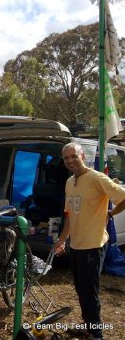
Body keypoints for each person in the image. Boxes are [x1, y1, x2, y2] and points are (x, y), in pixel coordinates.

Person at [54, 142, 125, 340]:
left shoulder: (96, 178)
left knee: (90, 293)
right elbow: (69, 214)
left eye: (73, 156)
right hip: (76, 245)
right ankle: (88, 327)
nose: (70, 161)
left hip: (93, 245)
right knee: (80, 289)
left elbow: (123, 197)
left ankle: (96, 334)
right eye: (66, 158)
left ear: (82, 156)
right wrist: (62, 240)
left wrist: (110, 213)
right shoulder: (70, 182)